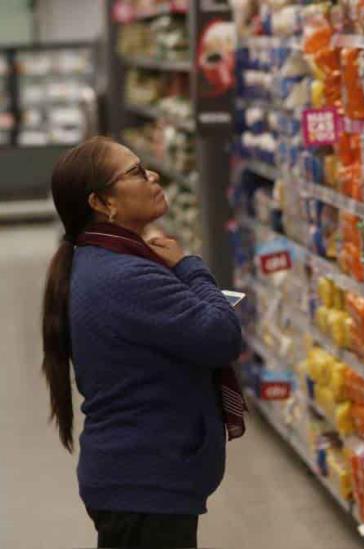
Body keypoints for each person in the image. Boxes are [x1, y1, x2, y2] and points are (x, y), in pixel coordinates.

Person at [41, 136, 244, 548]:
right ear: (102, 203)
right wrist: (191, 267)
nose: (152, 175)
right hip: (145, 486)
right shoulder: (127, 277)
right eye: (135, 172)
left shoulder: (102, 262)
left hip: (136, 481)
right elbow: (221, 337)